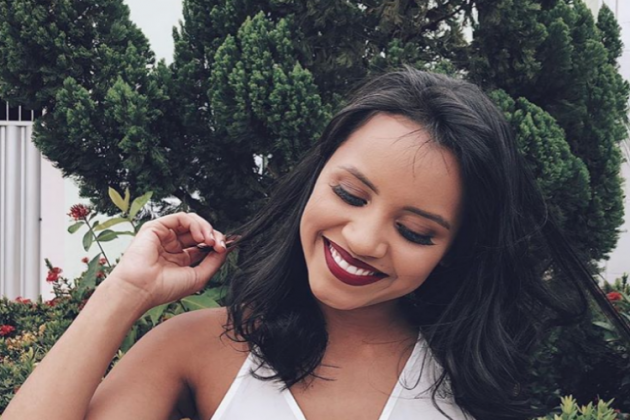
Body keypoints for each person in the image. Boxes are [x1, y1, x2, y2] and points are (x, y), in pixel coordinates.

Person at [3, 68, 591, 420]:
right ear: (314, 178)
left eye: (415, 232)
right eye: (350, 194)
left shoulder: (469, 378)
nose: (364, 240)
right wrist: (124, 292)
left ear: (454, 249)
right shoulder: (196, 349)